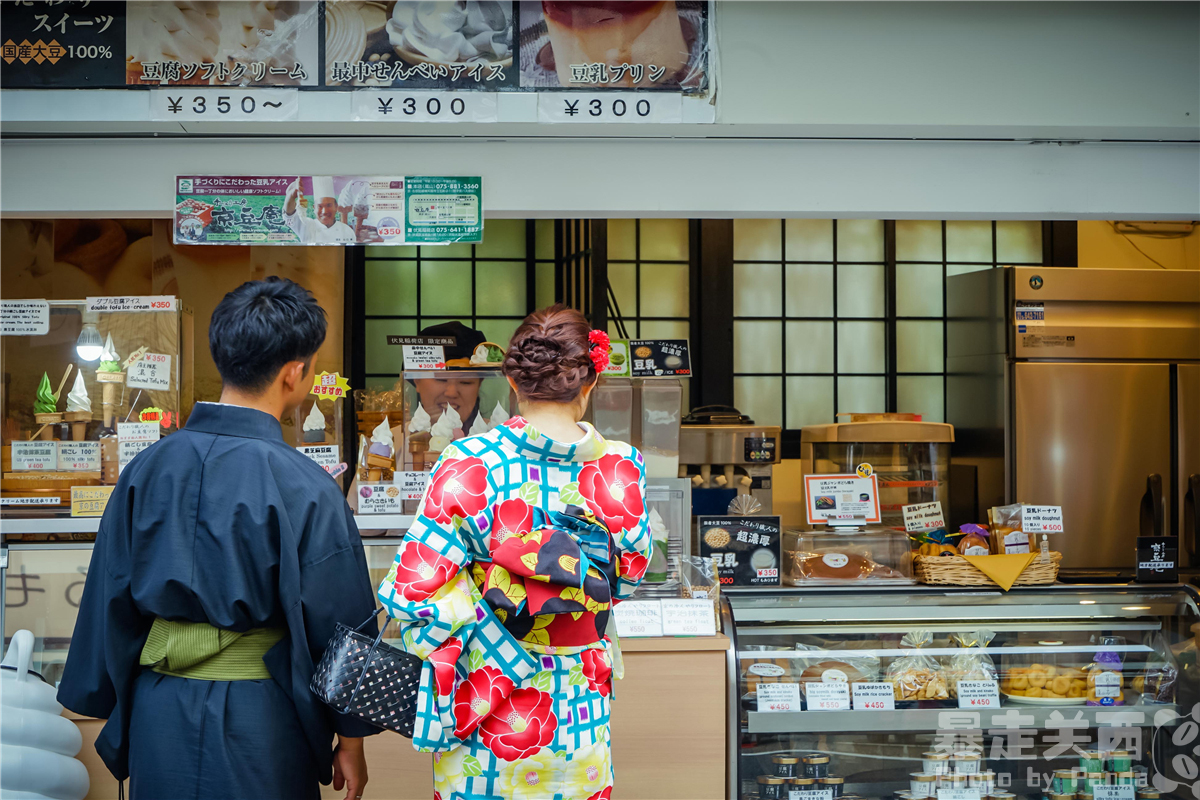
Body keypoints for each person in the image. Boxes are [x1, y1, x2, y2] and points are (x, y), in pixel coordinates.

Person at [58, 278, 380, 800]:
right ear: (294, 373)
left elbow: (109, 590)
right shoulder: (306, 485)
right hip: (264, 714)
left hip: (160, 708)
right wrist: (351, 734)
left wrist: (98, 693)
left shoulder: (146, 469)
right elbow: (340, 618)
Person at [377, 305, 652, 800]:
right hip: (579, 701)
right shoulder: (620, 466)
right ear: (589, 381)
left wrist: (492, 630)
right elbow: (626, 578)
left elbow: (413, 589)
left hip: (487, 702)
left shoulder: (471, 461)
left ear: (511, 380)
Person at [284, 176, 356, 244]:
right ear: (314, 208)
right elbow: (290, 215)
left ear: (336, 207)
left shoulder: (347, 231)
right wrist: (291, 196)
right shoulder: (307, 225)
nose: (324, 211)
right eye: (320, 206)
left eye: (329, 205)